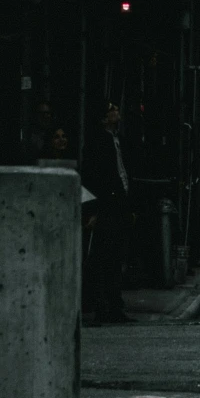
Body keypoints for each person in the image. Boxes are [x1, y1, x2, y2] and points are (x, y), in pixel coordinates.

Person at [81, 102, 133, 322]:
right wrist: (94, 210)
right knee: (104, 258)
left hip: (118, 205)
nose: (116, 112)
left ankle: (113, 304)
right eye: (111, 109)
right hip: (107, 207)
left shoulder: (118, 140)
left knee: (115, 257)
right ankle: (102, 304)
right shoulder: (98, 142)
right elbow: (95, 177)